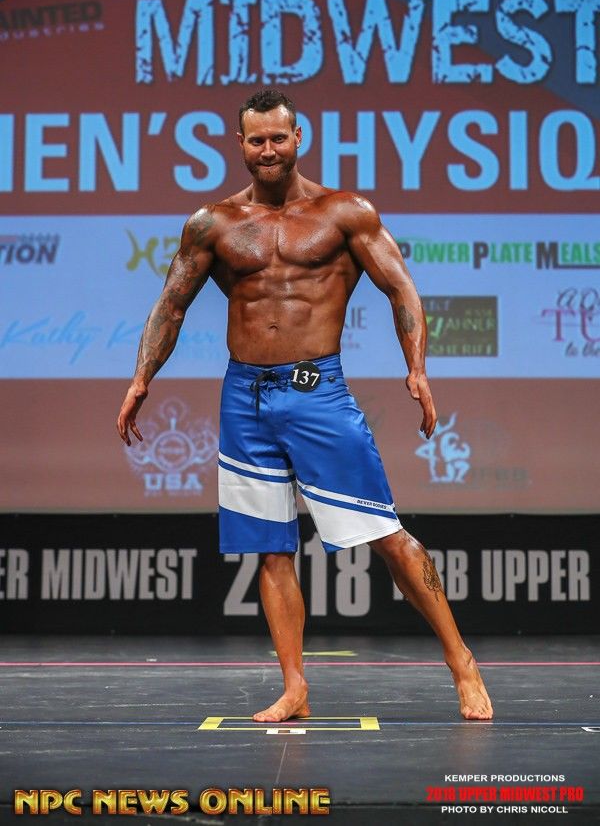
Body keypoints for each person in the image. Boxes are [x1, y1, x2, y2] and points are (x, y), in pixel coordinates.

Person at [117, 89, 493, 722]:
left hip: (317, 390)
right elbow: (172, 304)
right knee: (271, 548)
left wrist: (417, 368)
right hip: (245, 396)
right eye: (256, 140)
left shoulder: (344, 213)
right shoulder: (213, 223)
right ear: (240, 144)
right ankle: (295, 686)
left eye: (278, 138)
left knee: (387, 535)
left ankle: (462, 662)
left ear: (298, 138)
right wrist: (140, 379)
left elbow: (400, 288)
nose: (268, 150)